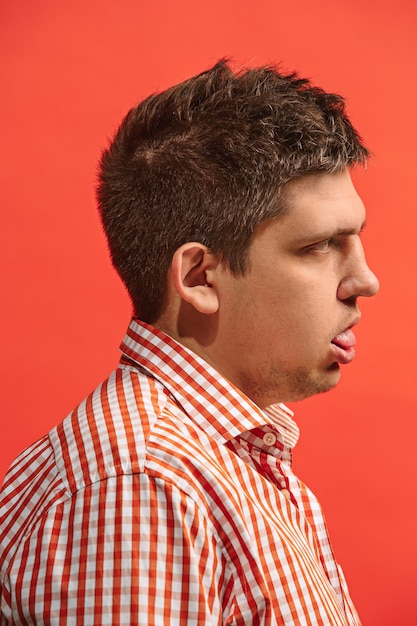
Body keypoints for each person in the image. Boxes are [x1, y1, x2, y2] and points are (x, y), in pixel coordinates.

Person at [0, 60, 379, 625]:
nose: (366, 281)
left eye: (356, 238)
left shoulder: (227, 456)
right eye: (320, 246)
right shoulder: (141, 487)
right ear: (201, 278)